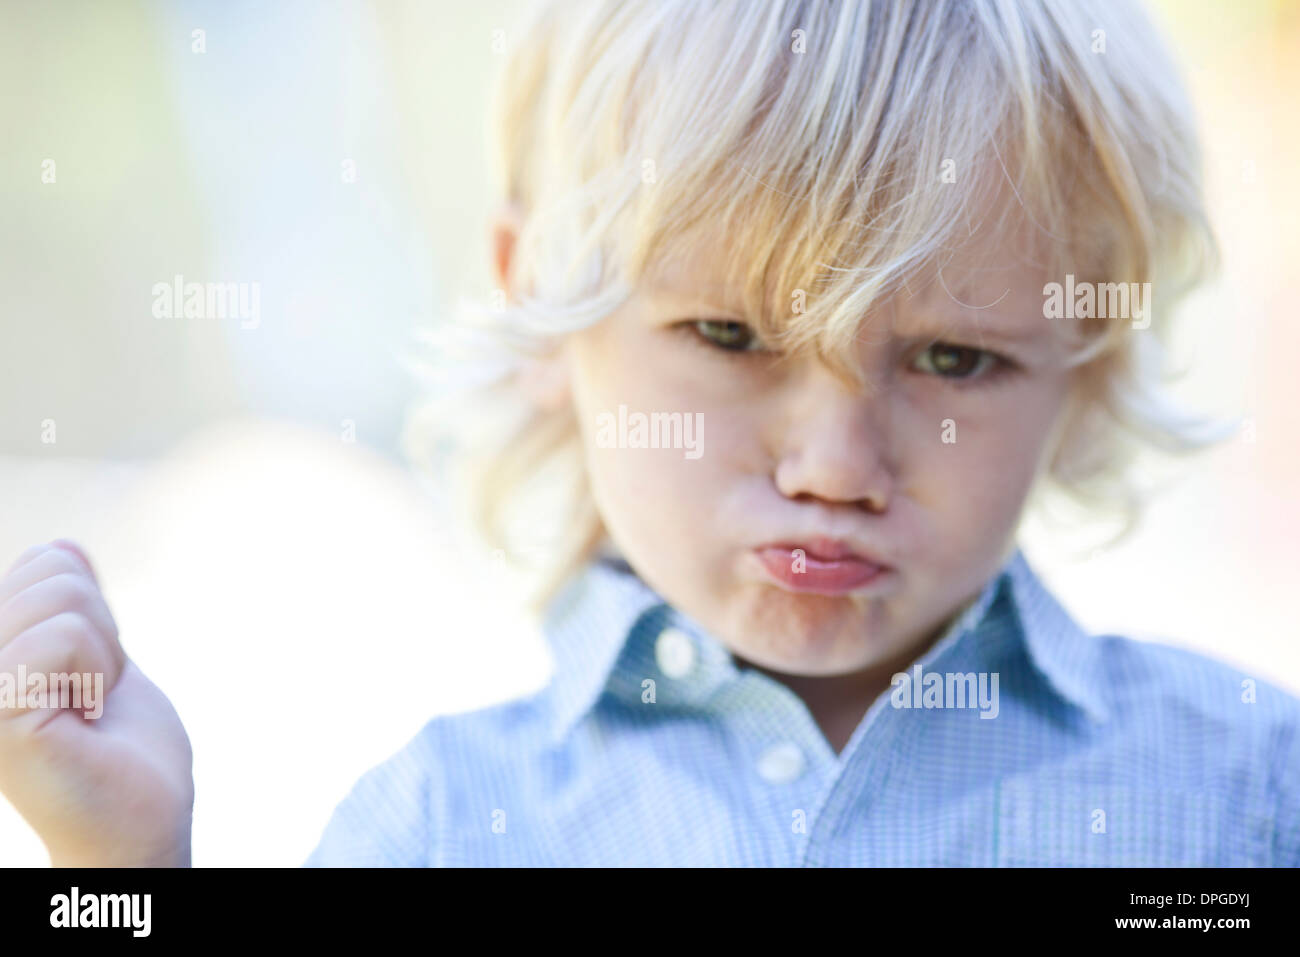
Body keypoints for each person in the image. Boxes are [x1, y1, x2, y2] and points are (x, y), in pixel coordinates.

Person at [2, 0, 1296, 867]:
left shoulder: (1245, 795)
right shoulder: (441, 827)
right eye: (730, 339)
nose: (836, 467)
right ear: (540, 304)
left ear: (1088, 362)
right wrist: (121, 871)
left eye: (956, 359)